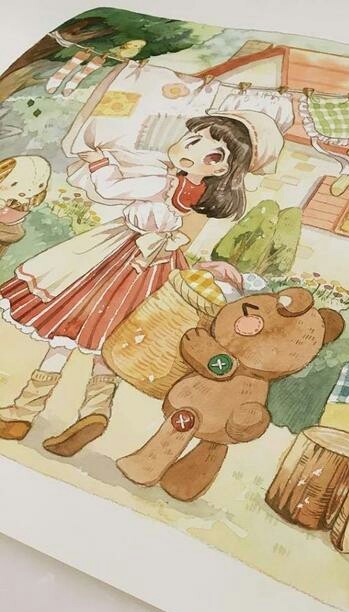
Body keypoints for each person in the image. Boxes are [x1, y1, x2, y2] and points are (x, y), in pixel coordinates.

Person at [0, 110, 283, 456]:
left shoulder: (161, 182)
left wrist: (97, 161)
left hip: (119, 252)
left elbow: (109, 190)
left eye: (210, 154)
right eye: (192, 140)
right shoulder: (197, 196)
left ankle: (23, 411)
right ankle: (95, 411)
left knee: (70, 327)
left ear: (222, 168)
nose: (191, 150)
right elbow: (184, 238)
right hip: (158, 267)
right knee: (112, 338)